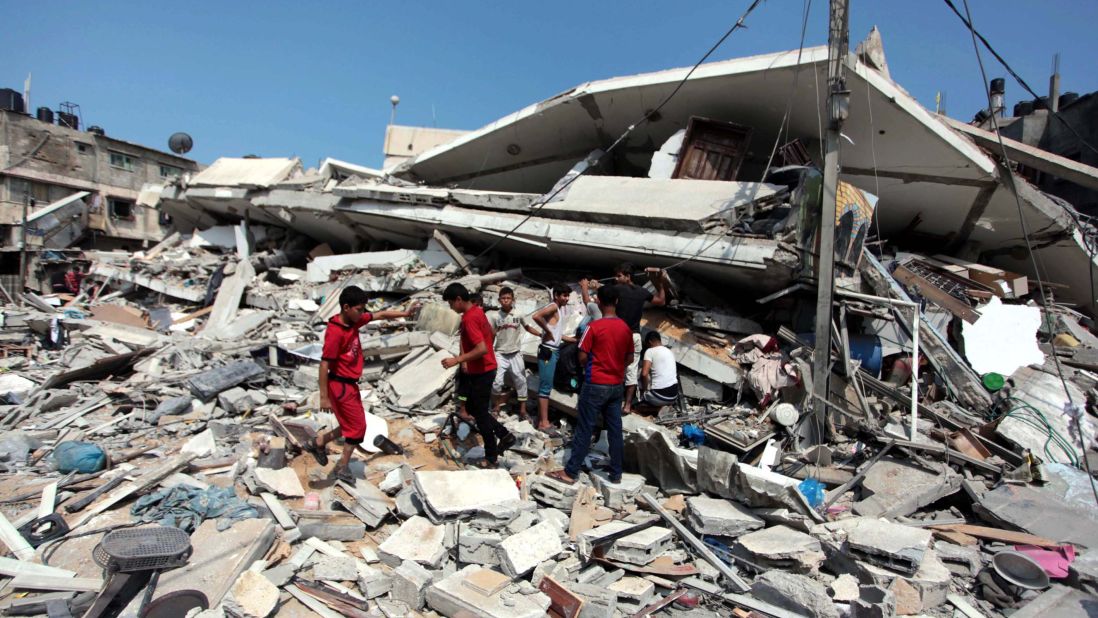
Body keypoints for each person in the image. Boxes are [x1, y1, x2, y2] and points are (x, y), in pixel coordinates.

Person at [304, 286, 417, 482]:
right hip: (340, 385)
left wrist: (405, 313)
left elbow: (380, 314)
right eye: (359, 309)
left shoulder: (353, 321)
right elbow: (324, 365)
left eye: (363, 309)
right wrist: (324, 397)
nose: (362, 313)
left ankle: (319, 441)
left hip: (349, 384)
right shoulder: (336, 332)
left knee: (350, 425)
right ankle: (342, 467)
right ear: (346, 307)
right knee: (358, 428)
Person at [549, 285, 633, 484]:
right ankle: (616, 472)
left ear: (600, 303)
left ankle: (571, 472)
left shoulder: (593, 327)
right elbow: (629, 358)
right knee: (614, 429)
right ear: (617, 302)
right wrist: (615, 367)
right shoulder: (625, 328)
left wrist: (595, 367)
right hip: (616, 385)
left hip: (595, 382)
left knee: (585, 428)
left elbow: (582, 356)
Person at [440, 283, 515, 468]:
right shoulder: (477, 311)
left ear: (458, 300)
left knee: (480, 414)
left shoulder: (469, 319)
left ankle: (491, 457)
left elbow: (481, 348)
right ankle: (505, 435)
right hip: (483, 369)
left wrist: (457, 360)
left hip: (483, 371)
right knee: (474, 409)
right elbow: (490, 334)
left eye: (450, 303)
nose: (450, 307)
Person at [611, 263, 668, 413]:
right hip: (635, 336)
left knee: (613, 366)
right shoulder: (642, 292)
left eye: (619, 276)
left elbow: (602, 297)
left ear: (628, 276)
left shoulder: (616, 290)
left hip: (619, 334)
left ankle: (611, 400)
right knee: (631, 369)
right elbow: (661, 301)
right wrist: (661, 283)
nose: (616, 279)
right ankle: (628, 405)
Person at [529, 283, 579, 433]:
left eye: (567, 295)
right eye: (564, 295)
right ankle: (543, 423)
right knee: (545, 388)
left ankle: (542, 419)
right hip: (548, 352)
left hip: (553, 350)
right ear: (556, 295)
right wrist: (547, 331)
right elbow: (536, 316)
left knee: (547, 386)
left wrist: (572, 340)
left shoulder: (557, 309)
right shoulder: (552, 306)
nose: (566, 298)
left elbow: (556, 333)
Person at [489, 287, 533, 415]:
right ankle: (496, 406)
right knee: (497, 382)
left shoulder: (518, 314)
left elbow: (528, 327)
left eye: (508, 298)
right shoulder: (495, 316)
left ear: (512, 299)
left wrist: (541, 334)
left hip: (515, 353)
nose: (506, 300)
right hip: (500, 353)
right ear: (499, 300)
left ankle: (523, 410)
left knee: (521, 381)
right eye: (503, 298)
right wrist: (489, 352)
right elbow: (491, 335)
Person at [638, 331, 679, 412]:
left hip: (659, 396)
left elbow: (644, 374)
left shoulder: (650, 351)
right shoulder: (669, 351)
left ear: (650, 342)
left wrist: (644, 391)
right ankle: (663, 407)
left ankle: (654, 408)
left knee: (639, 373)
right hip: (673, 396)